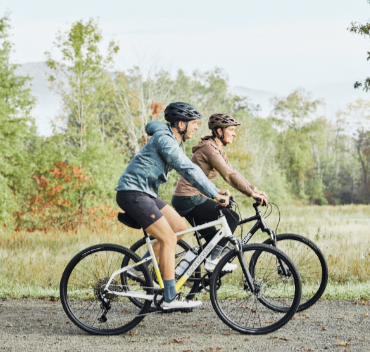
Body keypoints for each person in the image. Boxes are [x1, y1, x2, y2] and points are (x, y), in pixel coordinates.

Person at [115, 102, 230, 310]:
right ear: (180, 124)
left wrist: (215, 190)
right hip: (133, 193)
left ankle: (139, 269)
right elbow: (188, 168)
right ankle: (169, 297)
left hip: (146, 193)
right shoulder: (166, 141)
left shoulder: (169, 135)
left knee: (178, 228)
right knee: (168, 238)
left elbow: (152, 125)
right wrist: (213, 193)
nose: (196, 127)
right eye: (193, 123)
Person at [172, 112, 269, 271]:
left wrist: (254, 189)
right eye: (231, 129)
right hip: (188, 197)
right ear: (219, 131)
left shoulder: (216, 148)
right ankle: (213, 261)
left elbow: (232, 171)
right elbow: (228, 175)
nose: (234, 133)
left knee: (212, 243)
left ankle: (184, 274)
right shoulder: (209, 149)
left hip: (190, 197)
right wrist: (251, 194)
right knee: (232, 217)